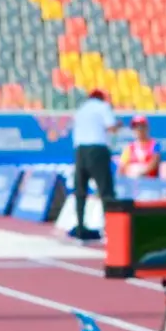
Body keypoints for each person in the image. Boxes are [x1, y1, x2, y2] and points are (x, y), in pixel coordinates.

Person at [70, 88, 119, 241]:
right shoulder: (102, 107)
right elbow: (111, 127)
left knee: (80, 191)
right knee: (106, 191)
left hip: (80, 151)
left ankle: (80, 225)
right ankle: (110, 229)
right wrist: (119, 124)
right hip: (97, 149)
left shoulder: (81, 109)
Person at [118, 114, 162, 179]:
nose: (139, 129)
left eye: (141, 126)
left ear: (147, 128)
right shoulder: (129, 147)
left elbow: (155, 162)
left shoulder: (155, 144)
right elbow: (122, 166)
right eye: (136, 127)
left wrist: (140, 172)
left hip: (151, 184)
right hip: (132, 183)